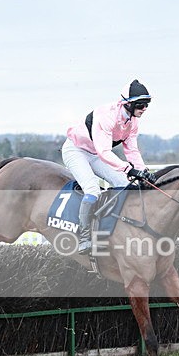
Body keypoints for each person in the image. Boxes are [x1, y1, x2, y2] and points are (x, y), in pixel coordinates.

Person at [61, 79, 157, 254]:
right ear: (128, 104)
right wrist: (128, 169)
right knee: (92, 189)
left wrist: (143, 171)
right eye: (141, 105)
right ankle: (84, 238)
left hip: (95, 154)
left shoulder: (133, 121)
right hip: (76, 151)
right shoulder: (107, 116)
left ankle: (115, 228)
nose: (144, 109)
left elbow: (132, 150)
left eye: (147, 105)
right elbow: (104, 152)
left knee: (125, 184)